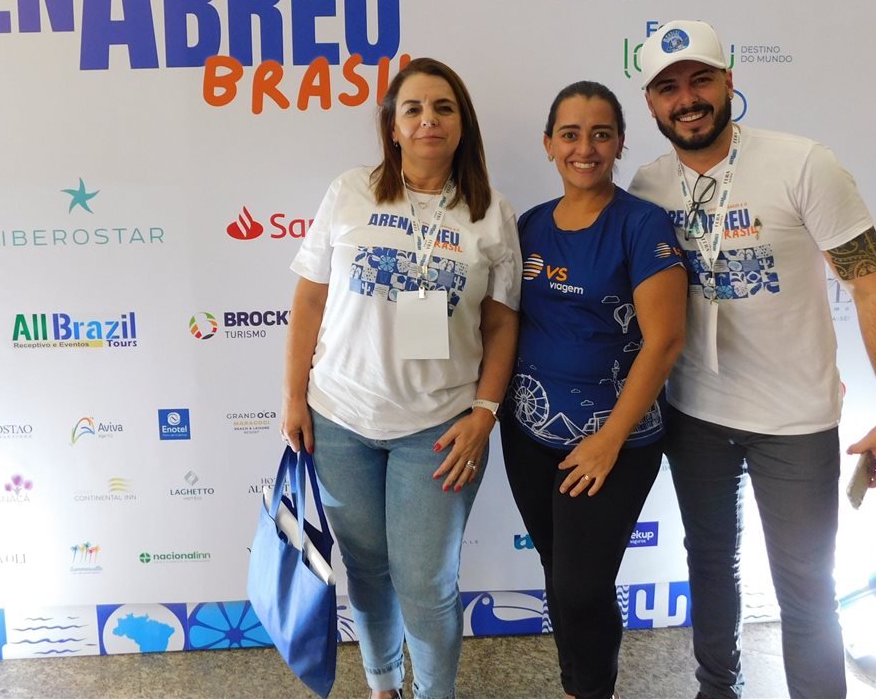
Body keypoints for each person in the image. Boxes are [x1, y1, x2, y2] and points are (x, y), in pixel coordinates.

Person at [628, 20, 876, 699]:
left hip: (796, 422)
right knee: (709, 566)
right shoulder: (645, 186)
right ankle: (716, 688)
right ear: (651, 103)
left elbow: (871, 285)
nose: (687, 98)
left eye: (700, 79)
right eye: (668, 87)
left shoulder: (802, 163)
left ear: (730, 82)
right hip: (695, 415)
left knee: (807, 588)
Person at [280, 57, 521, 699]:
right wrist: (294, 397)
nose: (428, 120)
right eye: (412, 109)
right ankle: (383, 685)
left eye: (443, 107)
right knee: (365, 568)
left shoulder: (491, 212)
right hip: (341, 416)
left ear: (461, 123)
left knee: (426, 582)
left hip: (440, 428)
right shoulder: (350, 191)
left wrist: (484, 414)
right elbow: (308, 301)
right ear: (392, 126)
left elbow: (501, 327)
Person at [502, 82, 687, 699]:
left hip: (615, 441)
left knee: (584, 585)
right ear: (550, 143)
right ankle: (573, 681)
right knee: (560, 575)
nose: (586, 147)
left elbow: (663, 342)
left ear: (620, 143)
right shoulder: (528, 225)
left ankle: (593, 690)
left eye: (601, 133)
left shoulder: (642, 224)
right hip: (528, 433)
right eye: (572, 133)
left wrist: (609, 440)